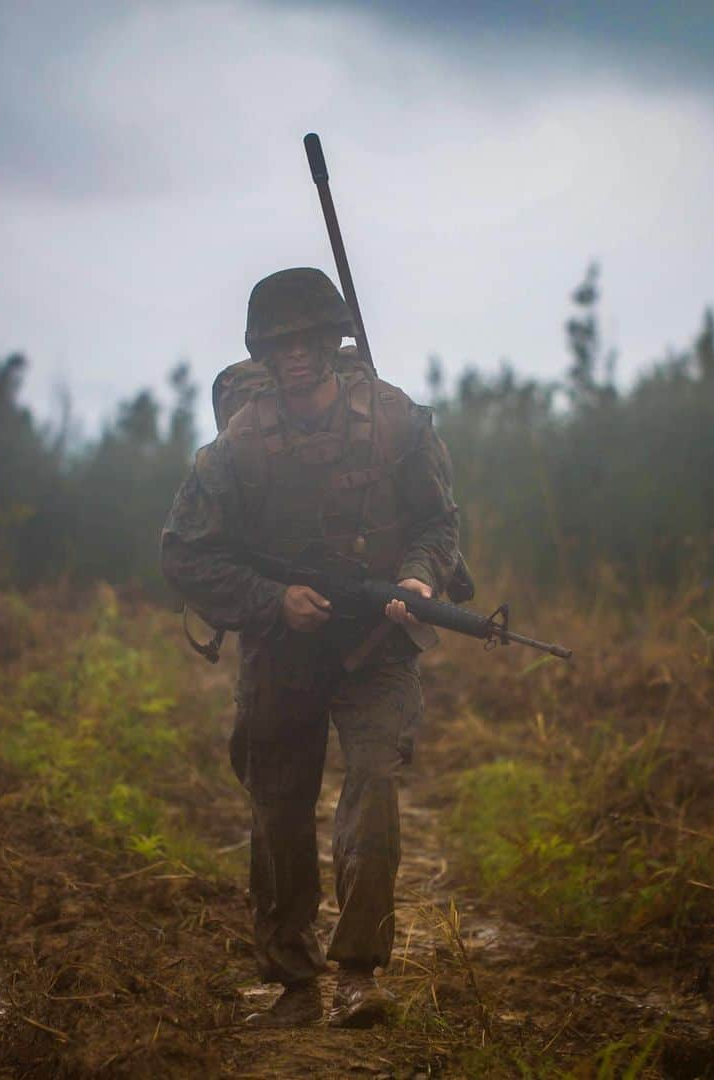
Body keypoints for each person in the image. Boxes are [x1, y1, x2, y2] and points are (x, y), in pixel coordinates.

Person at [160, 268, 459, 1028]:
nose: (295, 354)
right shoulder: (237, 447)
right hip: (281, 653)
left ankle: (359, 972)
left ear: (334, 341)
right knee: (278, 811)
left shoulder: (395, 421)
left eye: (308, 339)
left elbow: (439, 522)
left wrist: (418, 579)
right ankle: (294, 983)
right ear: (263, 350)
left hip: (377, 643)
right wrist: (272, 601)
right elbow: (185, 554)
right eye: (280, 343)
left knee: (374, 789)